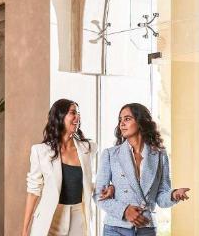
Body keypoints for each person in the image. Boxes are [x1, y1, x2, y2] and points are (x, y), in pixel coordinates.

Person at [93, 103, 190, 235]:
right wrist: (125, 211)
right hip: (115, 227)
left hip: (146, 227)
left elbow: (161, 197)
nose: (122, 124)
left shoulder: (160, 155)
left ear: (140, 122)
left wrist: (173, 195)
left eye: (127, 119)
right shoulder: (110, 154)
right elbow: (98, 195)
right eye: (120, 120)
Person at [23, 99, 114, 236]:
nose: (77, 117)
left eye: (78, 113)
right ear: (59, 117)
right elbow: (33, 191)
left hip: (79, 217)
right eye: (73, 113)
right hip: (51, 218)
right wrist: (25, 230)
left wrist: (108, 187)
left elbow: (86, 183)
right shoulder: (40, 151)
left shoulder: (88, 148)